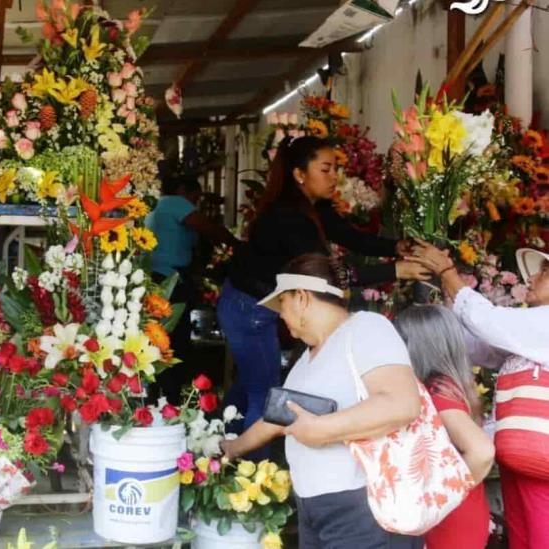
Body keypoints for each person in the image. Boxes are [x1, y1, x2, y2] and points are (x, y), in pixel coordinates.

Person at [217, 136, 429, 451]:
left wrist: (395, 248)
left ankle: (220, 444)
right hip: (250, 308)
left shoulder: (313, 207)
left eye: (336, 169)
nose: (335, 177)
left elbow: (350, 236)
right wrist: (396, 271)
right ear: (300, 174)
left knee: (251, 380)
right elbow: (323, 276)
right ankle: (249, 472)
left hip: (254, 302)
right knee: (264, 389)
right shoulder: (289, 218)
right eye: (326, 169)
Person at [221, 253, 423, 549]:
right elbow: (277, 419)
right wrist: (231, 449)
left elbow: (401, 404)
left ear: (301, 298)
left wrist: (322, 429)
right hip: (314, 508)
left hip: (363, 509)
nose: (280, 315)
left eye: (283, 304)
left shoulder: (366, 328)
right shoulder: (305, 360)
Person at [409, 241, 549, 549]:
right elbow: (474, 346)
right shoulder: (528, 333)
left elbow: (487, 322)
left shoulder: (544, 324)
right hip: (521, 463)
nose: (533, 278)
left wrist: (447, 273)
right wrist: (441, 298)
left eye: (544, 271)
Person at [394, 305, 494, 549]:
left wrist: (441, 497)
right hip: (462, 514)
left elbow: (481, 452)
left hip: (449, 520)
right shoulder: (450, 385)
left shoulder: (436, 391)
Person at [145, 176, 238, 403]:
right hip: (169, 279)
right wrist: (236, 243)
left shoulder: (156, 206)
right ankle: (171, 395)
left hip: (157, 278)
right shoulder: (175, 202)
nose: (193, 205)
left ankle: (158, 393)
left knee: (159, 337)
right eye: (193, 199)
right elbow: (206, 228)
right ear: (182, 189)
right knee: (175, 339)